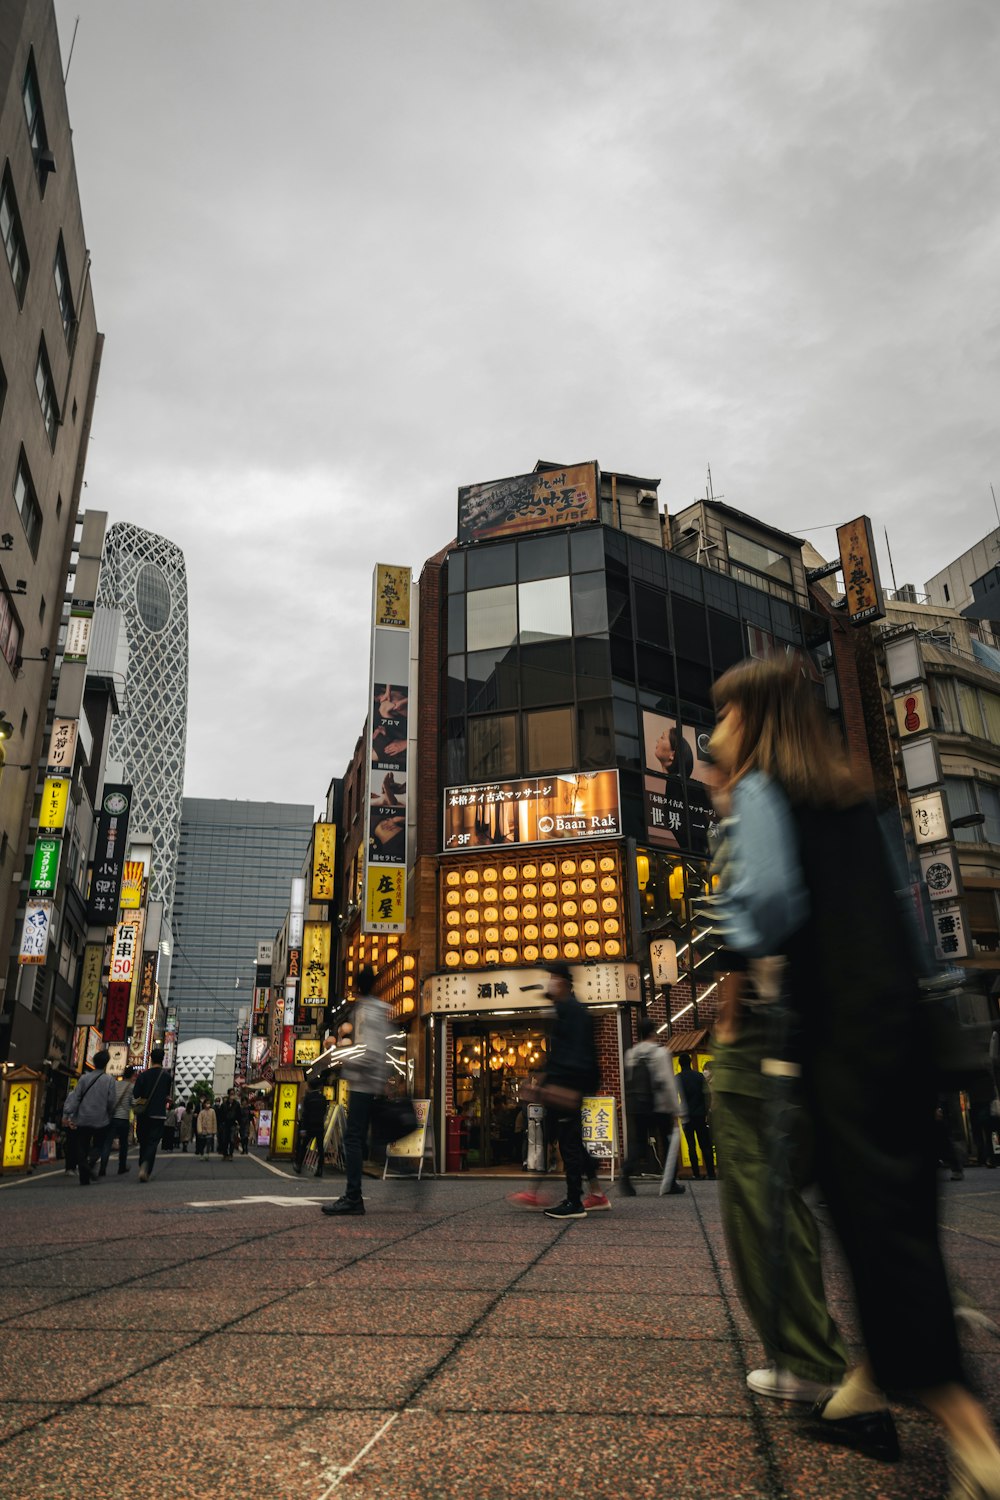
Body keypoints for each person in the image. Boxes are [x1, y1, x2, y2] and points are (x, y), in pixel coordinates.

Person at [704, 655, 1000, 1494]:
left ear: (753, 721)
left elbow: (763, 910)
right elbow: (913, 926)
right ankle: (873, 1375)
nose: (716, 731)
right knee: (892, 1216)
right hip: (906, 1032)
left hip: (839, 1039)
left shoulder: (761, 794)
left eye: (724, 715)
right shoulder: (859, 802)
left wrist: (730, 832)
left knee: (870, 1229)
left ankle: (971, 1437)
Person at [512, 963, 599, 1221]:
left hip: (567, 1085)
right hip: (567, 1084)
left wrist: (554, 1084)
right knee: (564, 1138)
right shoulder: (568, 1011)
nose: (549, 983)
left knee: (568, 1143)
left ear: (562, 982)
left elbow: (572, 1055)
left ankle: (575, 1201)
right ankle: (590, 1194)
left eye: (552, 978)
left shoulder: (571, 1012)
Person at [321, 965, 391, 1217]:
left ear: (358, 986)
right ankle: (402, 1169)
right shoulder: (380, 1008)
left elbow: (369, 1052)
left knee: (353, 1138)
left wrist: (342, 1060)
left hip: (362, 1083)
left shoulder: (365, 1010)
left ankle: (353, 1197)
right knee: (370, 1136)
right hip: (373, 1082)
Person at [621, 1019, 685, 1196]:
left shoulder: (631, 1054)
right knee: (667, 1141)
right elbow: (668, 1082)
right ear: (653, 1033)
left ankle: (625, 1176)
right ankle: (670, 1182)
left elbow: (629, 1080)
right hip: (659, 1105)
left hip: (638, 1106)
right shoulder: (661, 1053)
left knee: (638, 1143)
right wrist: (677, 1110)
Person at [62, 1051, 119, 1186]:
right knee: (99, 1145)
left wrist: (67, 1113)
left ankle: (84, 1176)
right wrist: (110, 1113)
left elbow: (75, 1097)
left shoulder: (83, 1078)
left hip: (83, 1117)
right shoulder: (109, 1080)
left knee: (82, 1145)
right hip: (101, 1118)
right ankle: (89, 1163)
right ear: (106, 1063)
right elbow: (111, 1101)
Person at [131, 1047, 173, 1182]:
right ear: (162, 1060)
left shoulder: (143, 1075)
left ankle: (142, 1163)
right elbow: (167, 1094)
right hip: (158, 1114)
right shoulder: (166, 1076)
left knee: (143, 1141)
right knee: (153, 1142)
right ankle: (146, 1167)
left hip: (144, 1114)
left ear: (151, 1058)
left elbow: (136, 1093)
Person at [676, 1053, 715, 1180]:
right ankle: (711, 1173)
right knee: (705, 1144)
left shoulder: (678, 1078)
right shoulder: (699, 1076)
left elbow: (674, 1096)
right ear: (690, 1063)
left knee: (691, 1145)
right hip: (700, 1114)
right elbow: (707, 1094)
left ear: (680, 1064)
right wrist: (706, 1110)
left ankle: (696, 1174)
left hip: (686, 1116)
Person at [99, 1066, 136, 1177]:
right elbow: (133, 1103)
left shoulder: (115, 1084)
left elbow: (109, 1099)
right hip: (124, 1119)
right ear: (132, 1075)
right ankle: (121, 1167)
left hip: (112, 1118)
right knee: (123, 1144)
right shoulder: (131, 1087)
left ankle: (102, 1168)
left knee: (107, 1143)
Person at [294, 1077, 328, 1177]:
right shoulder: (323, 1098)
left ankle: (299, 1165)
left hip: (309, 1126)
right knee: (320, 1148)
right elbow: (324, 1112)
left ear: (310, 1086)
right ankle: (320, 1169)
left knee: (304, 1146)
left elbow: (305, 1114)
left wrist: (303, 1128)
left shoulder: (308, 1098)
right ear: (319, 1086)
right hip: (319, 1126)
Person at [217, 1089, 240, 1161]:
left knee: (232, 1140)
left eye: (233, 1094)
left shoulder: (237, 1104)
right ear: (228, 1094)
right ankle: (225, 1154)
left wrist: (238, 1123)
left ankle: (231, 1154)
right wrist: (221, 1123)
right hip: (225, 1124)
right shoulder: (224, 1104)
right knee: (225, 1140)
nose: (232, 1095)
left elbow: (239, 1114)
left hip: (233, 1124)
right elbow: (220, 1115)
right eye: (231, 1094)